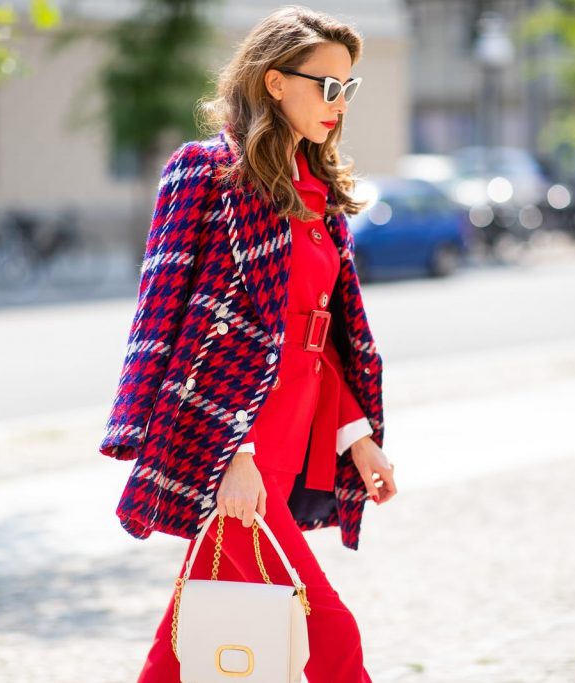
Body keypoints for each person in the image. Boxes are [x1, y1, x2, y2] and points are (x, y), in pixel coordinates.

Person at [98, 6, 397, 681]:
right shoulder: (204, 173)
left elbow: (325, 336)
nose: (338, 104)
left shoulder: (318, 192)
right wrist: (228, 453)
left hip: (295, 438)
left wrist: (358, 435)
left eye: (348, 88)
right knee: (329, 637)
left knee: (184, 644)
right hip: (232, 443)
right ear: (272, 82)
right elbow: (165, 315)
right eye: (326, 85)